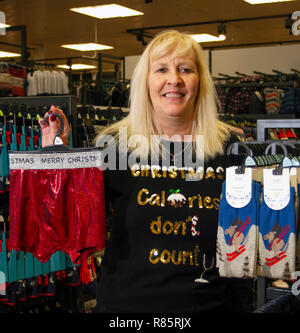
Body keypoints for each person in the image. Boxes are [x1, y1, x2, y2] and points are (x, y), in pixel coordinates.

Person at [39, 30, 252, 313]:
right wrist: (54, 159)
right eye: (161, 69)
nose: (173, 79)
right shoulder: (115, 146)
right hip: (126, 310)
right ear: (146, 81)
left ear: (199, 81)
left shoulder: (230, 149)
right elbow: (70, 225)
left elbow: (243, 241)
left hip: (210, 307)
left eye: (185, 69)